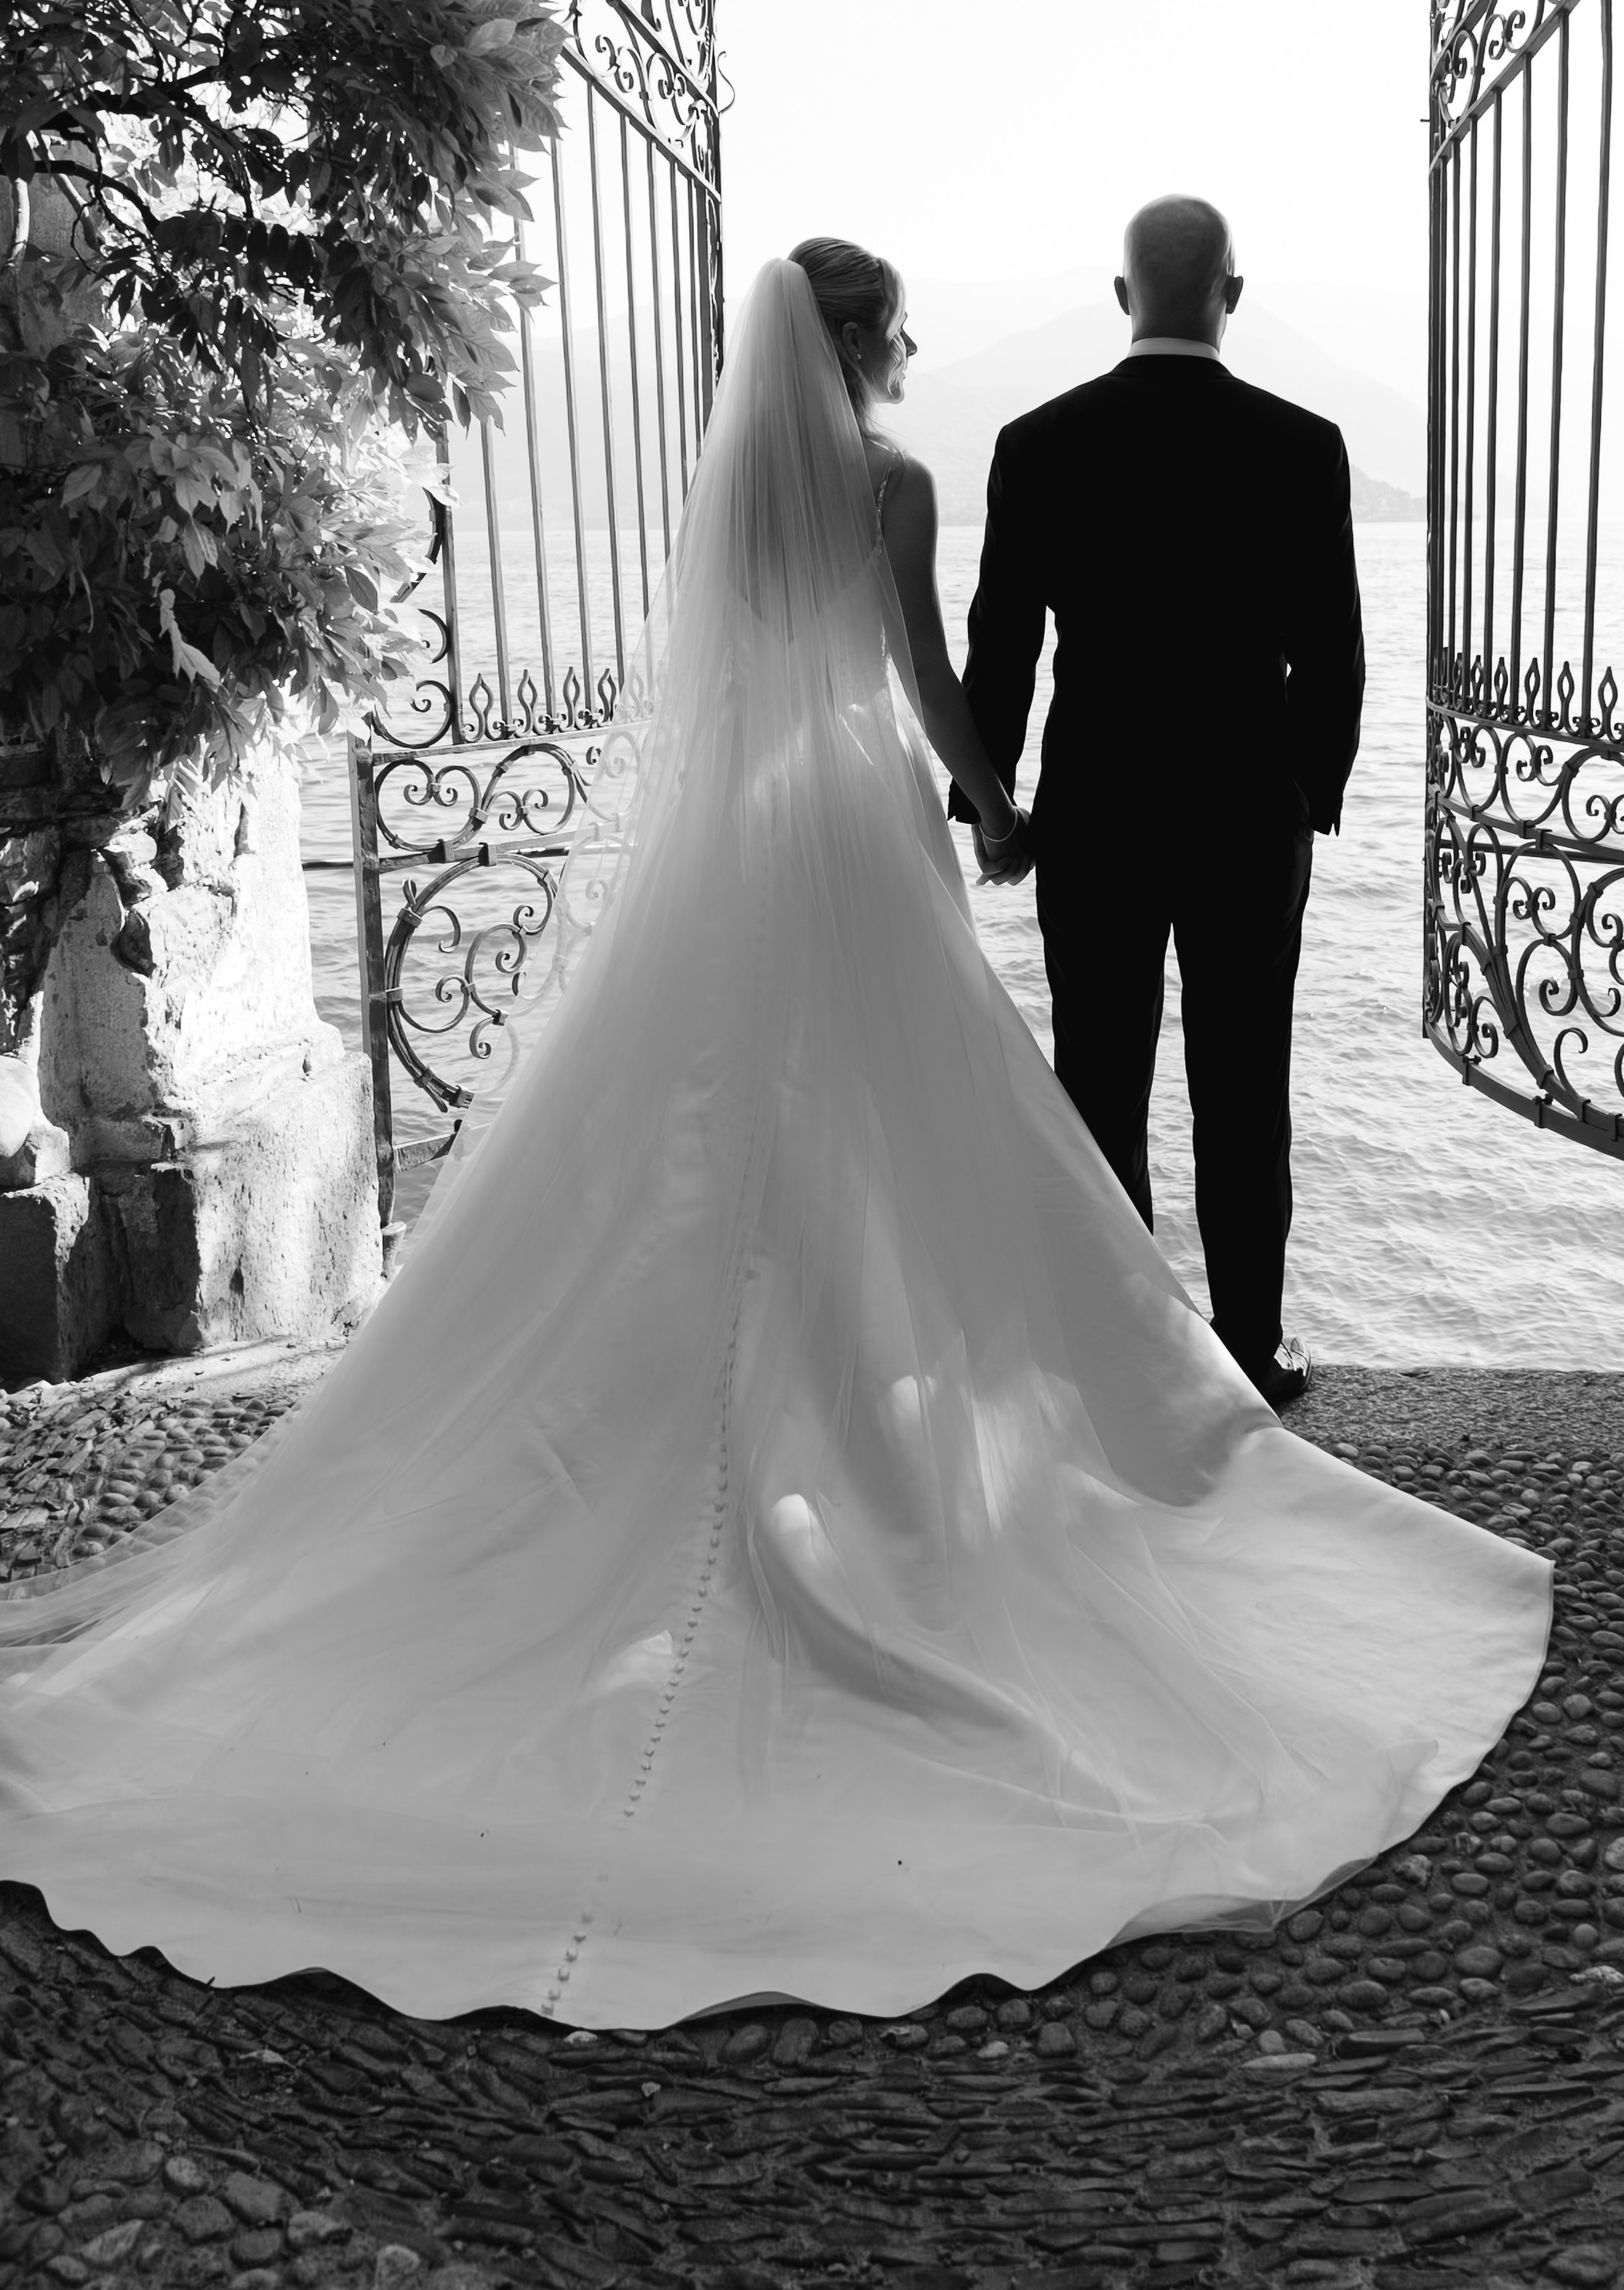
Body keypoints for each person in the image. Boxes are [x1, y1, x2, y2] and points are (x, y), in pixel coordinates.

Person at [0, 253, 1545, 2034]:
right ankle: (885, 1420)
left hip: (739, 846)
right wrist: (996, 805)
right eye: (895, 328)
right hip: (857, 831)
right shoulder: (890, 484)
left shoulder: (729, 488)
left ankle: (719, 1404)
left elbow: (724, 683)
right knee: (900, 1138)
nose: (910, 348)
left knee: (717, 1139)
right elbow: (921, 677)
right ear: (858, 342)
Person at [950, 196, 1364, 1408]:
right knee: (1244, 1085)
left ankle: (1115, 1349)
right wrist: (1306, 793)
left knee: (1099, 1085)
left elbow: (1003, 644)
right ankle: (1252, 1346)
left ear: (1124, 297)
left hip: (1098, 814)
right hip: (1247, 817)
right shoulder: (1303, 443)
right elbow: (1333, 652)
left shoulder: (1039, 441)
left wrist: (992, 803)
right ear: (1231, 293)